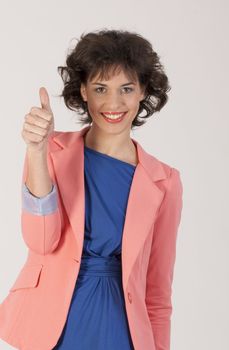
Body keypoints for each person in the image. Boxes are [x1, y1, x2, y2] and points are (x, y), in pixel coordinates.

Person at [0, 29, 183, 350]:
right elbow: (41, 241)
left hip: (120, 326)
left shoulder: (164, 181)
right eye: (101, 88)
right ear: (83, 91)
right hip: (53, 322)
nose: (114, 103)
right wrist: (36, 153)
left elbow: (157, 290)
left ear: (143, 91)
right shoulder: (50, 149)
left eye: (126, 88)